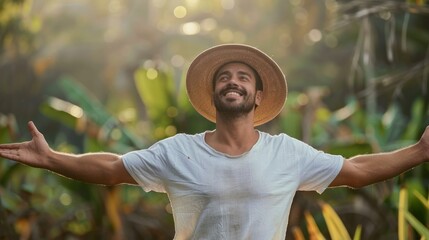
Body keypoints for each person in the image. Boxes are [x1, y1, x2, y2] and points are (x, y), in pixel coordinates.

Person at [0, 44, 428, 239]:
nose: (233, 82)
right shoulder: (177, 151)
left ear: (258, 96)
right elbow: (113, 167)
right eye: (225, 77)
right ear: (214, 94)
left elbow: (354, 172)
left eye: (243, 78)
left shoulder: (287, 153)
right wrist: (54, 158)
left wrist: (419, 151)